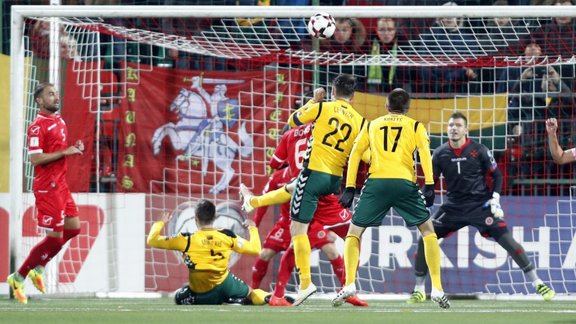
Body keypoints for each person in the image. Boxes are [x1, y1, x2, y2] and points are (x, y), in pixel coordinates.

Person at [407, 112, 555, 304]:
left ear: (466, 130)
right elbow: (430, 184)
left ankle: (538, 283)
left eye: (458, 125)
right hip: (453, 207)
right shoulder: (440, 153)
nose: (453, 128)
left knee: (509, 242)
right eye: (451, 125)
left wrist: (495, 198)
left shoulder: (479, 150)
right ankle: (418, 289)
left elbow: (498, 176)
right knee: (424, 237)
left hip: (480, 206)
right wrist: (423, 199)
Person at [331, 88, 449, 309]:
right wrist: (430, 184)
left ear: (386, 106)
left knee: (354, 233)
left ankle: (348, 284)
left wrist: (349, 187)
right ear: (408, 108)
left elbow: (355, 153)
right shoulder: (415, 126)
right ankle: (437, 289)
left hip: (377, 183)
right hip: (405, 184)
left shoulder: (372, 124)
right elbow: (425, 153)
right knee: (428, 231)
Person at [286, 74, 366, 306]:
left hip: (313, 175)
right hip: (336, 181)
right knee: (352, 233)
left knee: (297, 228)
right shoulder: (360, 121)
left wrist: (313, 101)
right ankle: (349, 282)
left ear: (332, 91)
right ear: (353, 96)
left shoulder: (322, 107)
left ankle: (305, 284)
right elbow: (362, 154)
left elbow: (293, 121)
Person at [7, 82, 85, 304]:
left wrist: (73, 148)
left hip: (60, 185)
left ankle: (39, 267)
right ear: (40, 101)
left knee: (74, 228)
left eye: (56, 93)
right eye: (50, 94)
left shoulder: (59, 120)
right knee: (54, 238)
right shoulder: (36, 126)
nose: (56, 96)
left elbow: (57, 150)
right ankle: (18, 277)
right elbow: (35, 159)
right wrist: (65, 151)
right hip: (47, 187)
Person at [147, 199, 271, 305]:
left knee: (177, 298)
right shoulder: (226, 235)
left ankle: (228, 299)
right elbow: (256, 249)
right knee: (251, 293)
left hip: (202, 291)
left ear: (196, 219)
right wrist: (252, 228)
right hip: (226, 284)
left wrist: (160, 223)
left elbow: (152, 240)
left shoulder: (186, 240)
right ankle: (268, 298)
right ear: (214, 217)